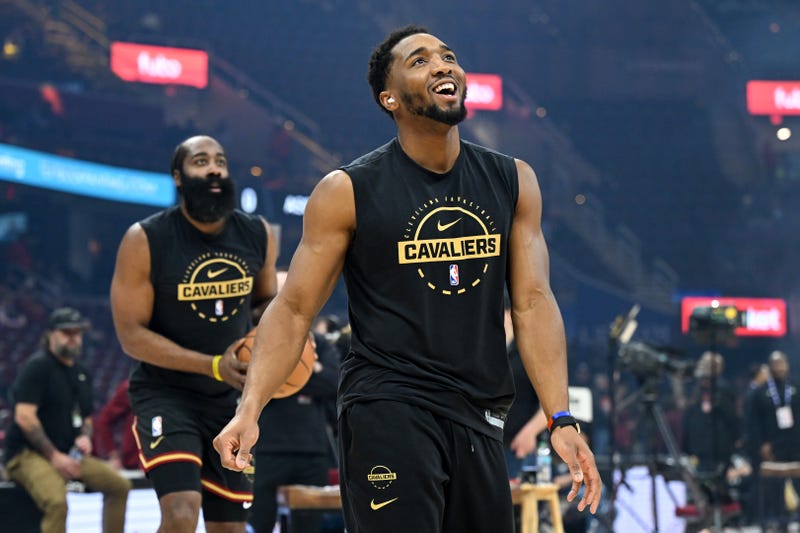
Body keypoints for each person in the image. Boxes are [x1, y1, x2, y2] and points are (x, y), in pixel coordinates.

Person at [214, 25, 601, 533]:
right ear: (389, 98)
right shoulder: (347, 191)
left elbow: (531, 301)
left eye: (448, 56)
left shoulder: (513, 180)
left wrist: (560, 417)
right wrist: (250, 408)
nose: (443, 65)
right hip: (389, 405)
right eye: (420, 61)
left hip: (480, 414)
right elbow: (293, 309)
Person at [110, 135, 279, 532]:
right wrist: (212, 365)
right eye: (201, 161)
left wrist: (278, 341)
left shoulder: (258, 233)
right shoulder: (145, 239)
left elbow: (266, 306)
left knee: (230, 528)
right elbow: (131, 335)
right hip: (166, 395)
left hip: (230, 403)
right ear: (179, 177)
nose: (215, 168)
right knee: (182, 512)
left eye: (220, 160)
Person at [4, 307, 131, 533]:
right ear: (51, 334)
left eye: (77, 333)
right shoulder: (38, 367)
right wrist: (54, 457)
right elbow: (24, 417)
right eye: (66, 332)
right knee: (57, 502)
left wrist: (85, 436)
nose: (73, 338)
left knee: (119, 485)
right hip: (26, 453)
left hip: (67, 452)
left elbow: (87, 418)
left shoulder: (82, 372)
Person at [248, 271, 340, 533]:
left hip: (312, 451)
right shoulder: (253, 339)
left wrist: (280, 375)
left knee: (309, 527)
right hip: (264, 449)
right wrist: (311, 370)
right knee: (259, 524)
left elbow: (332, 383)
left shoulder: (320, 342)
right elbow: (251, 381)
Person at [92, 378, 139, 470]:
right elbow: (104, 421)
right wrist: (113, 453)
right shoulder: (132, 388)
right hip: (135, 463)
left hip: (165, 458)